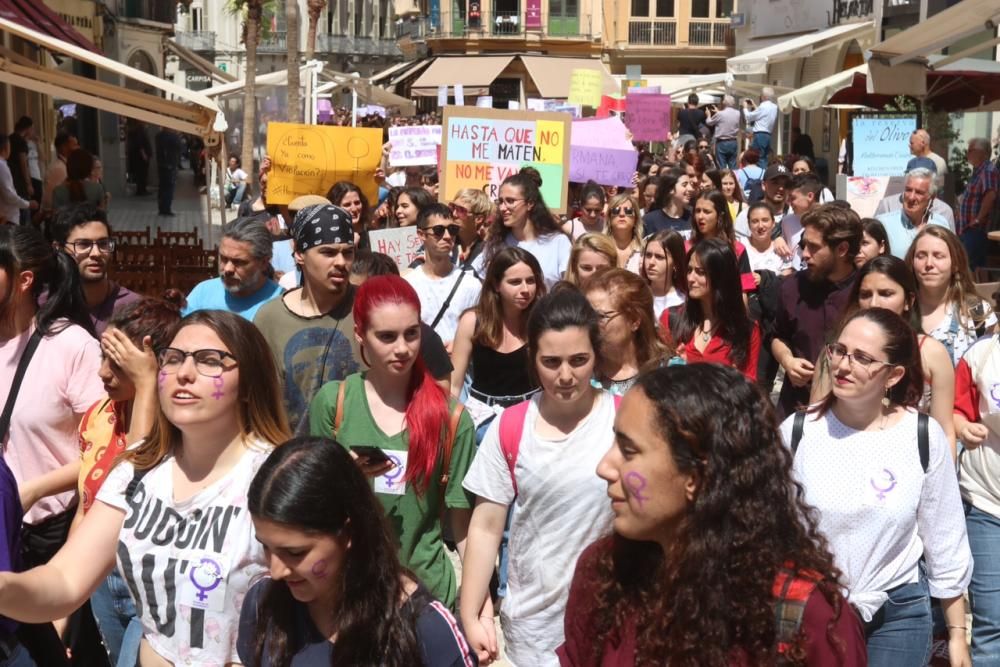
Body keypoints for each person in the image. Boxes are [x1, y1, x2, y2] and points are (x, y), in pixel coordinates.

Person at [0, 310, 292, 666]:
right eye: (173, 358)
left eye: (209, 361)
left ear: (250, 384)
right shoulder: (137, 468)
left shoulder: (278, 474)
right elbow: (62, 582)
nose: (184, 373)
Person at [558, 364, 866, 665]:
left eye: (628, 450)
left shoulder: (806, 615)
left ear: (697, 476)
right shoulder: (603, 574)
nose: (604, 467)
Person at [781, 308, 972, 666]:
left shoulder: (921, 435)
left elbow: (945, 538)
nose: (843, 365)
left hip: (896, 616)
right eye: (839, 351)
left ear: (894, 375)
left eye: (863, 358)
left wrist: (958, 634)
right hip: (810, 609)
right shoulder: (798, 431)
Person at [460, 289, 618, 666]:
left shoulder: (625, 423)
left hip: (612, 623)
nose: (565, 375)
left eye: (579, 360)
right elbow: (485, 525)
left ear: (597, 356)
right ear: (532, 357)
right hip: (534, 629)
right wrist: (471, 613)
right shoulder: (510, 427)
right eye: (551, 361)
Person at [308, 275, 476, 610]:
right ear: (361, 335)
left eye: (411, 333)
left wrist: (476, 605)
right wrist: (346, 478)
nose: (402, 348)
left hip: (426, 595)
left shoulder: (452, 418)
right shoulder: (334, 404)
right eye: (387, 336)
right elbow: (314, 510)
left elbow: (463, 525)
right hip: (351, 593)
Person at [237, 437, 477, 666]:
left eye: (296, 552)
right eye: (266, 547)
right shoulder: (262, 605)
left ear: (348, 532)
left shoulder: (428, 631)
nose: (276, 571)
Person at [73, 296, 182, 666]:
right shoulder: (102, 415)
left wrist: (148, 383)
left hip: (151, 585)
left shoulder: (180, 426)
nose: (103, 373)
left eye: (118, 365)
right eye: (103, 358)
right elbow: (88, 499)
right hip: (103, 580)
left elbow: (138, 472)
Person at [810, 255, 957, 452]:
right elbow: (816, 421)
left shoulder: (931, 353)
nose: (874, 303)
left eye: (886, 293)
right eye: (865, 294)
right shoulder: (835, 352)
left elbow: (945, 431)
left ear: (909, 300)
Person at [254, 204, 363, 432]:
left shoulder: (371, 306)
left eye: (347, 252)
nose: (341, 262)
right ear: (300, 255)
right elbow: (259, 405)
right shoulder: (270, 319)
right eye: (328, 252)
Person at [772, 204, 861, 419]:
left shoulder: (867, 290)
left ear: (842, 249)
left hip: (855, 415)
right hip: (797, 410)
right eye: (804, 246)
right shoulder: (791, 288)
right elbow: (777, 336)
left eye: (814, 247)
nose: (804, 254)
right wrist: (788, 361)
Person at [450, 246, 543, 436]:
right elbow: (454, 384)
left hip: (531, 414)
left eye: (530, 281)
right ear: (496, 285)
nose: (525, 289)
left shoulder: (542, 321)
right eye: (515, 282)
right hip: (482, 418)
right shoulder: (472, 321)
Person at [953, 319, 1000, 664]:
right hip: (986, 505)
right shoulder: (981, 355)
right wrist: (963, 427)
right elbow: (956, 410)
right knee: (992, 623)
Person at [661, 238, 759, 379]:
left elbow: (749, 391)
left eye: (700, 272)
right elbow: (654, 380)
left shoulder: (746, 331)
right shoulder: (671, 318)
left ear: (721, 276)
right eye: (689, 270)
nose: (690, 278)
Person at [907, 225, 996, 365]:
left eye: (938, 256)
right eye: (921, 256)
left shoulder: (977, 313)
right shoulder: (902, 310)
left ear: (955, 264)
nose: (929, 263)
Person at [49, 203, 141, 335]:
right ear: (58, 248)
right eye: (83, 244)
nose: (96, 253)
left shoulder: (134, 309)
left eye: (103, 244)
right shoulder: (43, 305)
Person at [475, 169, 571, 288]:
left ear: (530, 203)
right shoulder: (495, 245)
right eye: (500, 201)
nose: (503, 208)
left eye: (510, 201)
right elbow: (481, 287)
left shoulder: (558, 243)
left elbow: (569, 288)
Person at [404, 204, 482, 347]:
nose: (447, 237)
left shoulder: (472, 284)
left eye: (452, 230)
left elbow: (483, 331)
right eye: (438, 230)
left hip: (461, 366)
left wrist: (460, 345)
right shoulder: (408, 284)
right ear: (421, 235)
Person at [585, 269, 668, 395]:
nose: (590, 323)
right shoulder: (581, 374)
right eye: (586, 314)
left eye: (600, 316)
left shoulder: (669, 374)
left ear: (634, 320)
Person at [183, 216, 282, 320]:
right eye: (223, 259)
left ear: (264, 262)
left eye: (238, 262)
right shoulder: (203, 293)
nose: (227, 269)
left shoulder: (281, 303)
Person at [688, 189, 756, 293]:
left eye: (707, 212)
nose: (700, 216)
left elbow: (743, 291)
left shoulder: (737, 249)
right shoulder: (687, 248)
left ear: (720, 216)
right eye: (697, 211)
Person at [876, 168, 950, 259]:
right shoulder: (883, 223)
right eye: (908, 190)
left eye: (919, 192)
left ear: (932, 197)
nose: (911, 197)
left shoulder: (941, 224)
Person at [957, 137, 998, 271]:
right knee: (967, 267)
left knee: (972, 270)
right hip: (968, 229)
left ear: (983, 153)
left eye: (970, 150)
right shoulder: (978, 171)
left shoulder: (988, 170)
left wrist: (978, 219)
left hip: (976, 229)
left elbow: (990, 195)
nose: (967, 154)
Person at [734, 163, 790, 240]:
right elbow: (739, 247)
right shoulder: (747, 215)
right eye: (775, 183)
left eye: (786, 184)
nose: (781, 188)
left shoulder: (794, 215)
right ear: (763, 185)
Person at [641, 229, 686, 321]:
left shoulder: (683, 302)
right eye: (648, 255)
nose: (651, 262)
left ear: (675, 264)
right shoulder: (636, 296)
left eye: (659, 257)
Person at [745, 202, 794, 277]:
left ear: (773, 223)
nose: (760, 226)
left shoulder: (782, 250)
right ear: (748, 224)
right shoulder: (740, 246)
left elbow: (785, 281)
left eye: (765, 220)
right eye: (755, 221)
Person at [641, 170, 695, 237]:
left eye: (690, 184)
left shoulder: (694, 217)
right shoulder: (649, 220)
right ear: (671, 189)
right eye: (684, 185)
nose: (691, 189)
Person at [449, 189, 492, 274]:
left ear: (478, 219)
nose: (454, 214)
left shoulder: (487, 253)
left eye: (461, 210)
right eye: (453, 207)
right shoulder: (441, 241)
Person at [604, 193, 643, 273]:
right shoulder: (600, 249)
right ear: (609, 219)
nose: (621, 214)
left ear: (635, 219)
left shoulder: (644, 251)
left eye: (628, 211)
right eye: (616, 210)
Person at [41, 132, 78, 214]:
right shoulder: (59, 168)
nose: (78, 148)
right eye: (74, 145)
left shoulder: (66, 165)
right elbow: (49, 200)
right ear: (64, 147)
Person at [0, 136, 34, 226]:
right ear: (6, 148)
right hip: (7, 216)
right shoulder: (1, 166)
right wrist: (27, 204)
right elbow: (9, 194)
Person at [326, 180, 371, 248]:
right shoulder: (328, 238)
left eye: (357, 203)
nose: (354, 209)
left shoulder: (371, 233)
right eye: (347, 205)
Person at [743, 87, 778, 163]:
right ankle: (763, 173)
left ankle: (759, 174)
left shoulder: (763, 106)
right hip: (768, 135)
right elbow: (762, 114)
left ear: (764, 96)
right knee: (764, 157)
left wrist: (745, 108)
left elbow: (748, 117)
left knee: (757, 157)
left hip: (760, 134)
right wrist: (754, 106)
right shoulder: (774, 107)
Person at [705, 95, 741, 169]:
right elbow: (727, 117)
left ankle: (723, 179)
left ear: (724, 103)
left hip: (722, 143)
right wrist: (718, 112)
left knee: (721, 165)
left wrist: (708, 115)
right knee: (733, 165)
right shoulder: (738, 113)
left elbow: (709, 122)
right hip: (733, 141)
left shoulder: (720, 114)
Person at [8, 117, 32, 225]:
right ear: (28, 128)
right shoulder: (21, 142)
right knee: (24, 213)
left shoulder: (9, 138)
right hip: (20, 181)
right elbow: (23, 163)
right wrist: (28, 184)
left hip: (10, 178)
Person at [154, 127, 182, 217]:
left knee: (162, 187)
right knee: (169, 187)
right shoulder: (173, 137)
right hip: (170, 164)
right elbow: (180, 146)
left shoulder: (158, 136)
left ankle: (161, 208)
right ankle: (166, 208)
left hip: (161, 164)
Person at [125, 120, 151, 197]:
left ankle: (142, 189)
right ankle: (141, 190)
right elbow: (140, 144)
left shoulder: (137, 130)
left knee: (142, 173)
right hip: (140, 157)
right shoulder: (140, 130)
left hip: (138, 156)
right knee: (142, 173)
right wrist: (144, 154)